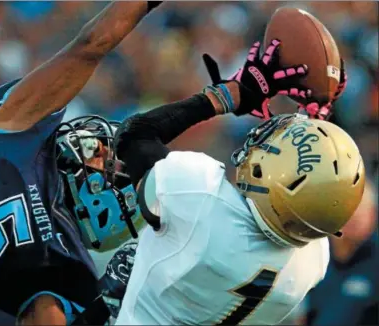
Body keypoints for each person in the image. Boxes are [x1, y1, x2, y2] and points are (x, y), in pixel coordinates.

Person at [111, 40, 364, 325]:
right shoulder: (313, 261)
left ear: (266, 176)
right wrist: (316, 126)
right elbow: (315, 190)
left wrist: (229, 95)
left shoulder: (198, 193)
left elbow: (136, 135)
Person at [0, 2, 161, 325]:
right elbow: (91, 43)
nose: (100, 147)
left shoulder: (70, 264)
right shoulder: (25, 126)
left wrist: (103, 309)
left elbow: (93, 43)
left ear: (114, 201)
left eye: (111, 158)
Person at [304, 180, 378, 326]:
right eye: (347, 207)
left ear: (372, 214)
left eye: (361, 208)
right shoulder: (313, 255)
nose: (354, 214)